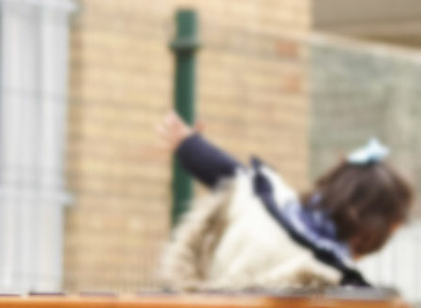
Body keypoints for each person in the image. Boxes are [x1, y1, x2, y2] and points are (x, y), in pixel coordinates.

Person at [158, 112, 413, 291]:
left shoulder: (265, 198)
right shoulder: (329, 276)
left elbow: (230, 173)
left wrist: (189, 145)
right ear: (368, 225)